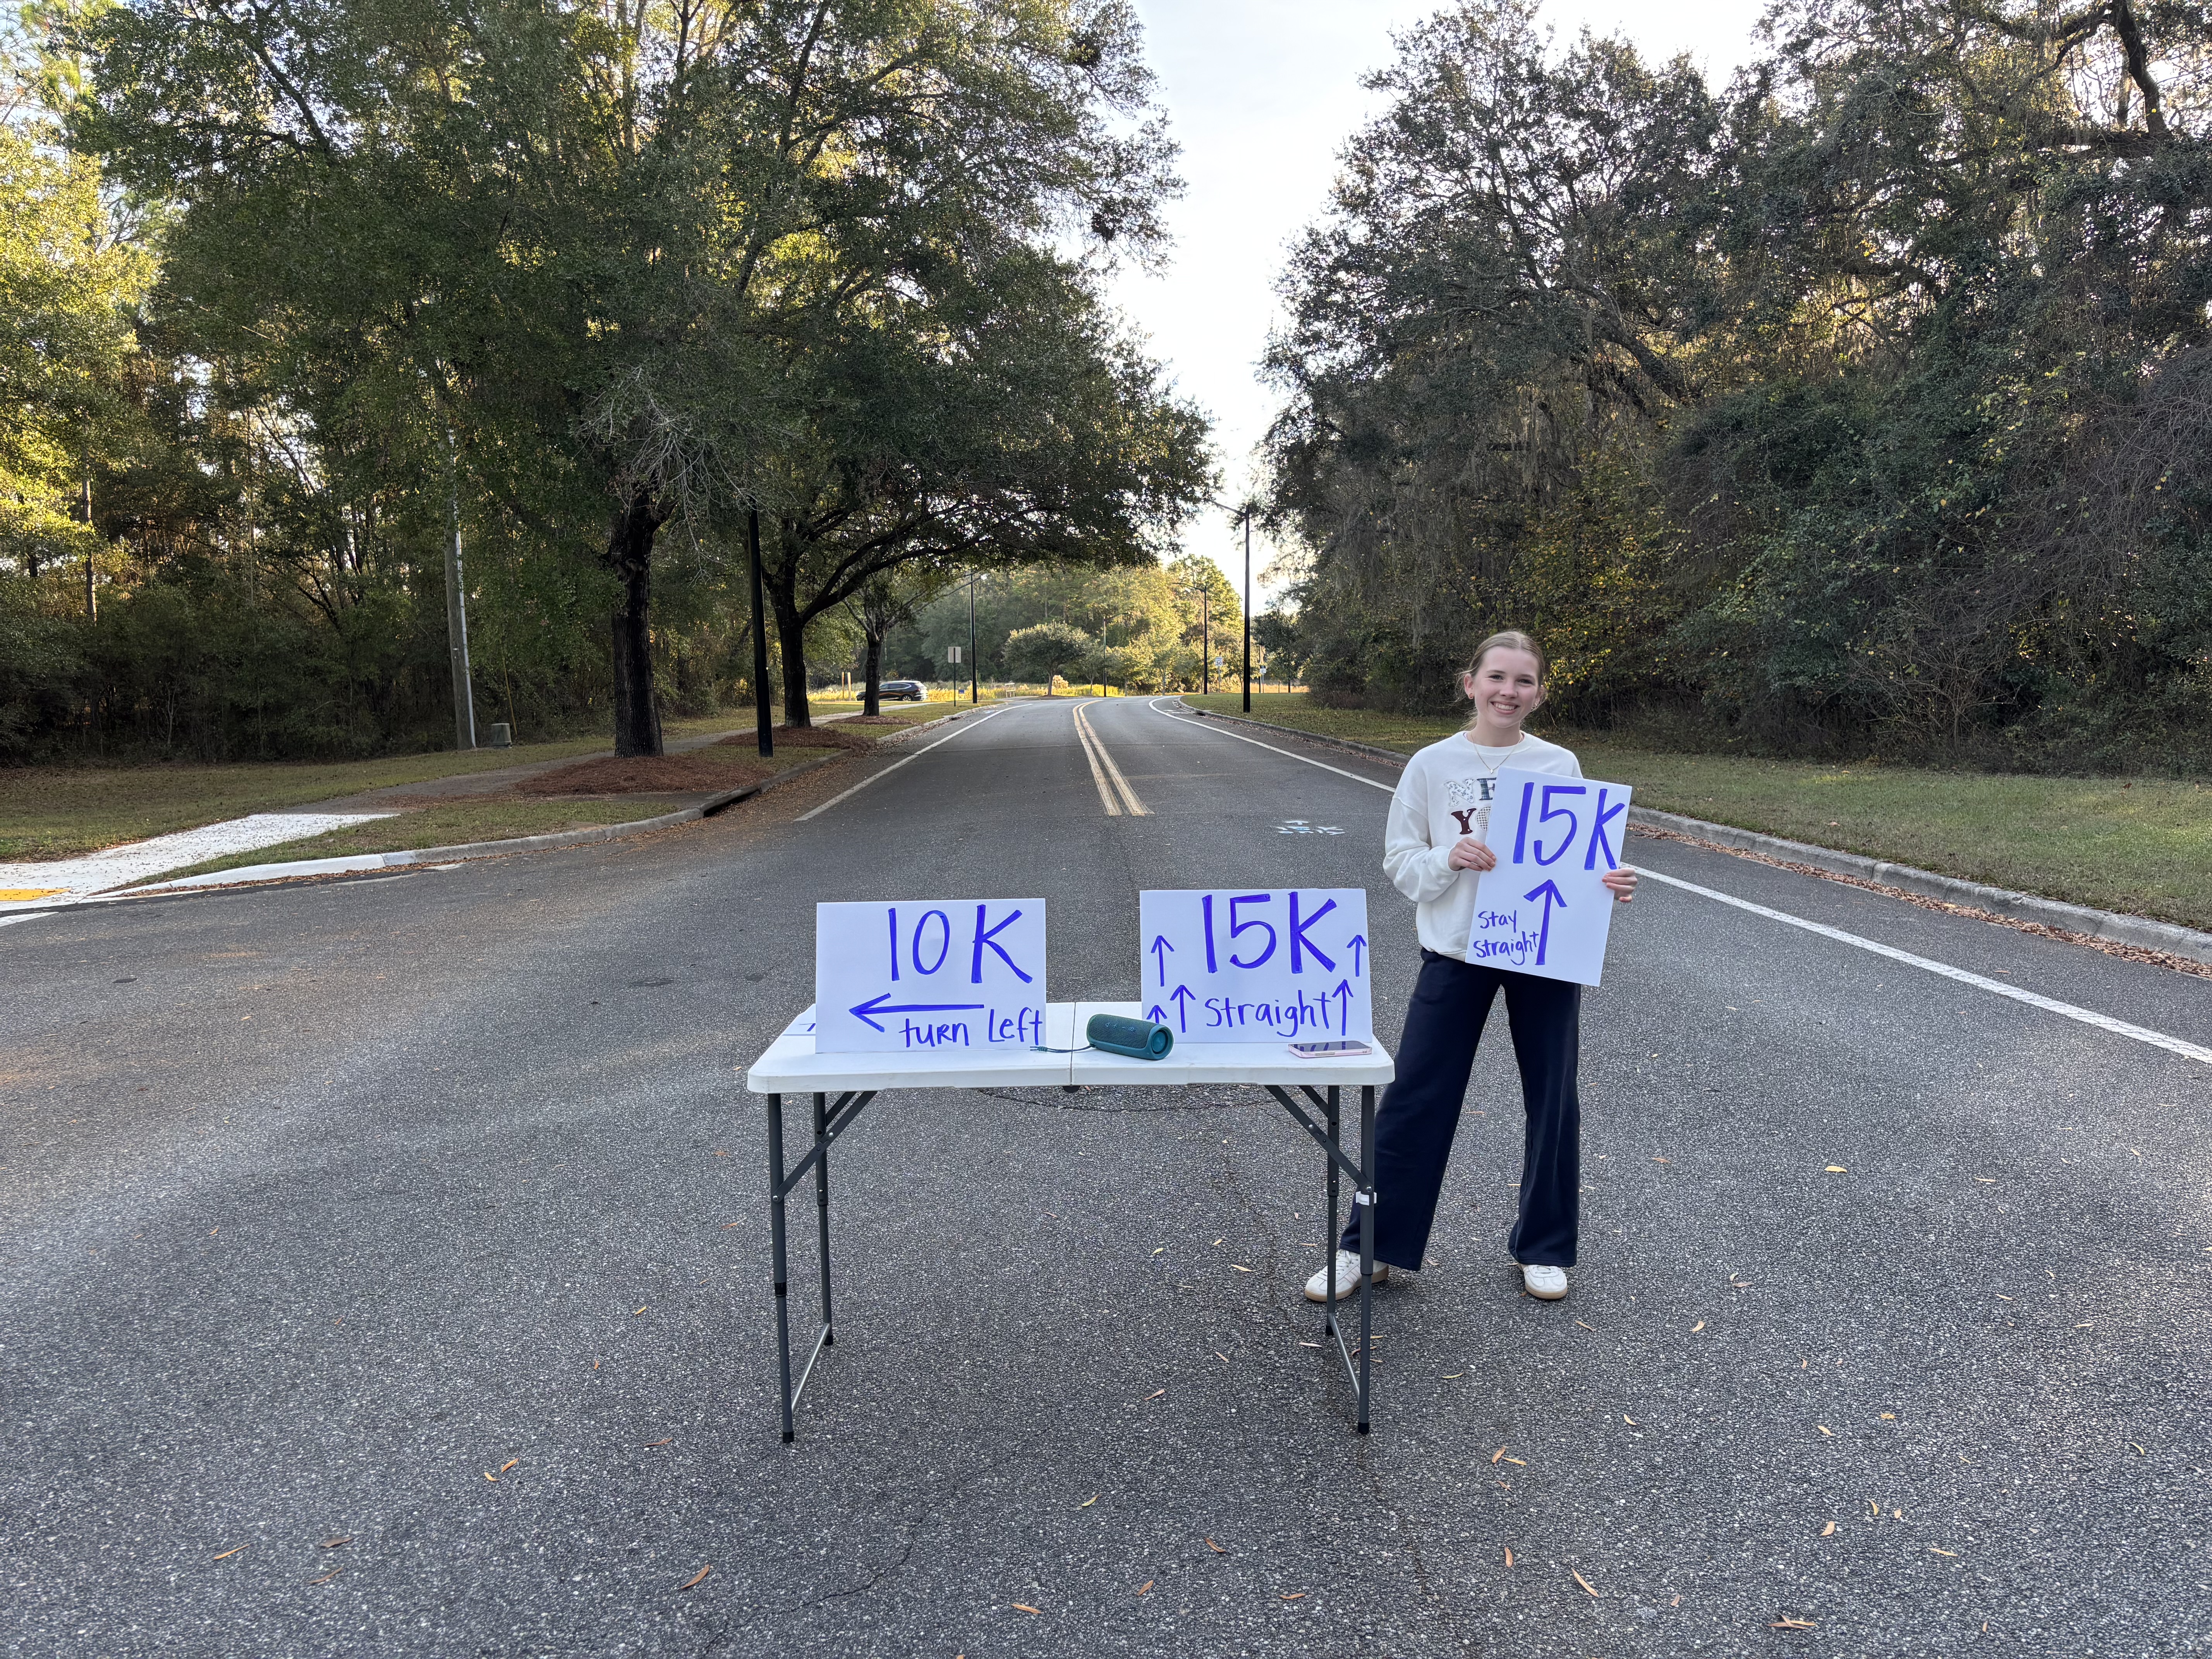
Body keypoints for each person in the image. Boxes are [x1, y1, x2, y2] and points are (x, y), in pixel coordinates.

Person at [1304, 630, 1637, 1305]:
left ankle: (1543, 1247)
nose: (1508, 692)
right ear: (1471, 684)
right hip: (1456, 951)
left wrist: (1608, 882)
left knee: (1554, 1099)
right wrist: (1448, 858)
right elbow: (1401, 861)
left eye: (1523, 681)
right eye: (1497, 678)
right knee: (1416, 1096)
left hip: (1540, 953)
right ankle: (1368, 1248)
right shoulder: (1431, 764)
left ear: (1540, 693)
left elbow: (1571, 859)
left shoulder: (1558, 764)